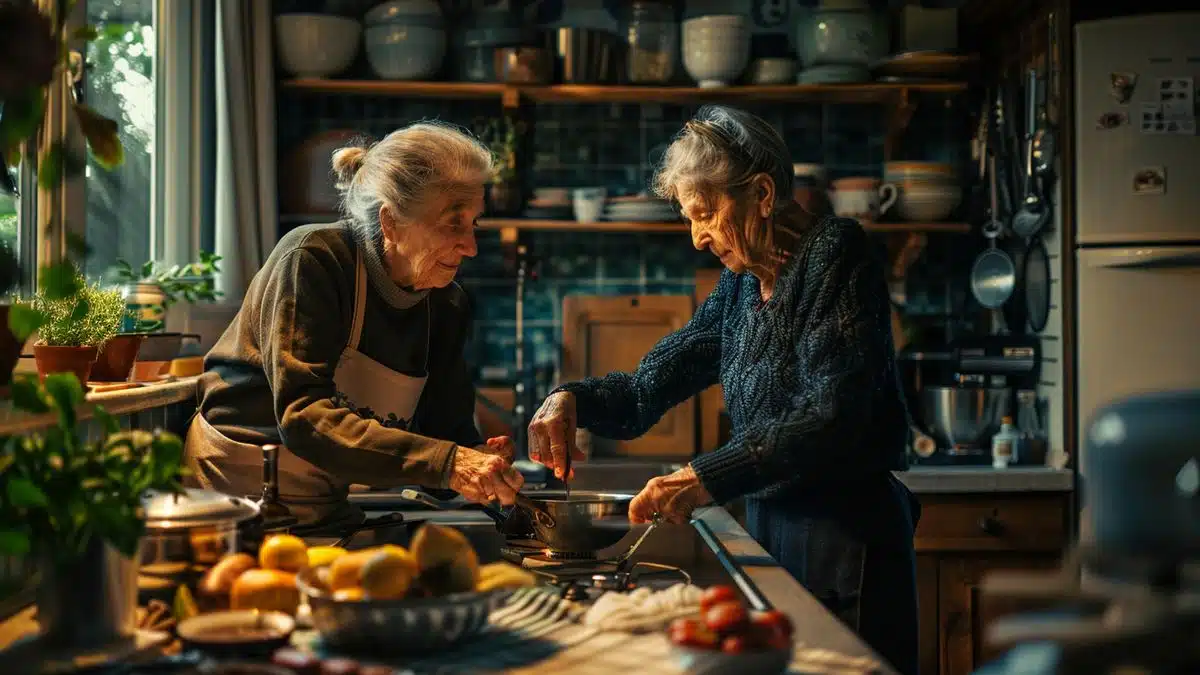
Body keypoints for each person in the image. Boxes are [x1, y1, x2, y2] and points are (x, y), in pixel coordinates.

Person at [527, 105, 920, 675]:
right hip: (770, 523)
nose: (697, 238)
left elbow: (832, 413)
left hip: (845, 539)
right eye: (690, 217)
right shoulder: (740, 284)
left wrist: (704, 476)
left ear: (762, 193)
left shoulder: (837, 252)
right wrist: (572, 398)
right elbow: (645, 391)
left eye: (706, 214)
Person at [187, 121, 524, 529]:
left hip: (324, 503)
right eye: (454, 222)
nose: (470, 246)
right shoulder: (313, 260)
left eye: (474, 223)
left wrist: (478, 461)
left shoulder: (447, 304)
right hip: (233, 498)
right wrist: (450, 462)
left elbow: (443, 433)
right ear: (391, 223)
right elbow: (304, 417)